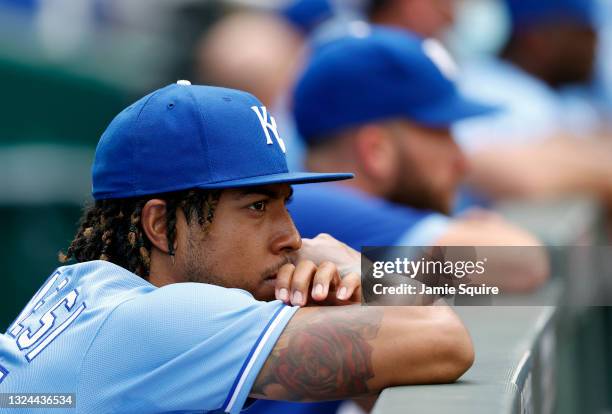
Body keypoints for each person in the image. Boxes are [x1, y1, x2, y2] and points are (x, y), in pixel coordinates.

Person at [0, 81, 474, 413]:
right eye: (255, 206)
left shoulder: (98, 296)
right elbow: (447, 341)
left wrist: (348, 300)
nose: (290, 235)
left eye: (284, 204)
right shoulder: (165, 321)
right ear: (161, 225)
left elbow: (382, 383)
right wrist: (361, 269)